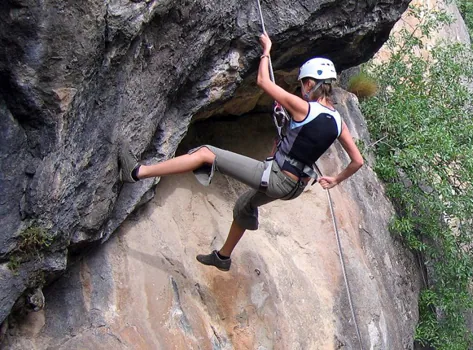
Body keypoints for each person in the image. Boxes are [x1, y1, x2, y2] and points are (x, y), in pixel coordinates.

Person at [118, 33, 364, 271]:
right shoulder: (338, 121)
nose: (301, 90)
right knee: (244, 205)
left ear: (310, 83)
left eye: (302, 85)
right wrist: (335, 179)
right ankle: (223, 258)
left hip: (278, 178)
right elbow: (357, 161)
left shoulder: (303, 107)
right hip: (295, 187)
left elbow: (263, 83)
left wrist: (266, 51)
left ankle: (137, 172)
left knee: (206, 153)